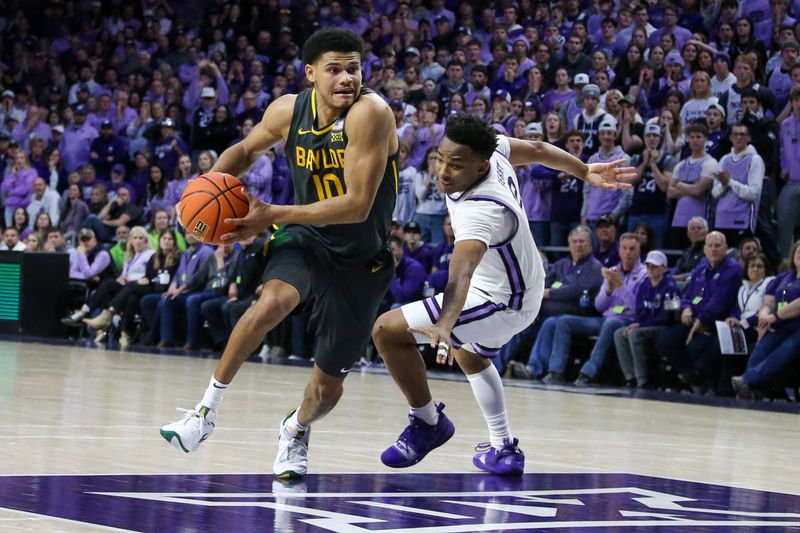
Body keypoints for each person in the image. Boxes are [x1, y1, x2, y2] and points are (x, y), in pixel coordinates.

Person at [160, 28, 399, 481]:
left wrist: (271, 214)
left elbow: (356, 205)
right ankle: (204, 412)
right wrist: (198, 195)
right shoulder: (289, 110)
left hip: (360, 260)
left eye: (354, 68)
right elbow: (245, 151)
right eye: (334, 69)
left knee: (326, 392)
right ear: (311, 74)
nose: (347, 78)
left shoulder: (372, 114)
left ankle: (295, 429)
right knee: (270, 302)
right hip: (308, 239)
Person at [371, 113, 633, 474]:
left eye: (455, 165)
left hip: (503, 299)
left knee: (387, 330)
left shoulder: (480, 210)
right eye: (441, 159)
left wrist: (445, 323)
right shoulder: (494, 150)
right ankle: (503, 449)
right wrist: (584, 170)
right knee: (472, 357)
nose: (444, 172)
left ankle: (427, 422)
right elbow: (540, 149)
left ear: (480, 167)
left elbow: (460, 273)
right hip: (517, 282)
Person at [657, 232, 743, 394]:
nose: (714, 249)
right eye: (710, 246)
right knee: (665, 340)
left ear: (725, 248)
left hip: (717, 322)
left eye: (718, 246)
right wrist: (686, 308)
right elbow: (687, 294)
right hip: (695, 318)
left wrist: (700, 320)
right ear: (704, 249)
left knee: (696, 345)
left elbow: (720, 301)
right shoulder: (701, 268)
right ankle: (692, 376)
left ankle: (703, 378)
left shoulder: (732, 269)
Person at [732, 240, 800, 399]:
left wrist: (774, 316)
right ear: (793, 255)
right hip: (778, 326)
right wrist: (763, 316)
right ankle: (751, 389)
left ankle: (747, 380)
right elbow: (768, 301)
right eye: (798, 252)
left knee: (786, 349)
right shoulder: (782, 278)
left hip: (796, 328)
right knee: (761, 347)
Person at [614, 250, 679, 389]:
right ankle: (629, 377)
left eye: (654, 266)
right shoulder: (644, 285)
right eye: (648, 266)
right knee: (619, 333)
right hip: (646, 324)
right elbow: (640, 310)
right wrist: (639, 323)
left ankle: (642, 380)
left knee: (634, 334)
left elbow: (670, 317)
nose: (650, 269)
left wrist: (641, 325)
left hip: (664, 327)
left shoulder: (671, 288)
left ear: (663, 268)